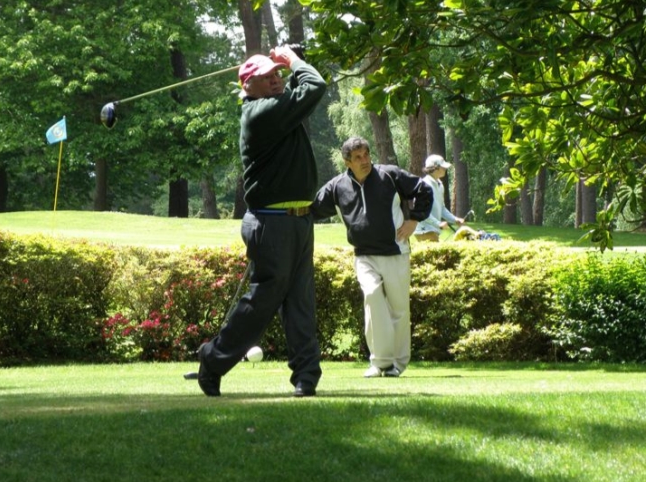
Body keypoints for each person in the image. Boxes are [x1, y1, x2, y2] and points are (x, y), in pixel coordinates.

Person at [195, 45, 327, 397]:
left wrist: (292, 61)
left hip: (298, 221)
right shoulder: (261, 113)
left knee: (300, 302)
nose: (274, 80)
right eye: (265, 77)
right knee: (263, 302)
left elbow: (305, 89)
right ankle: (214, 359)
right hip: (272, 223)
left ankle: (306, 378)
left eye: (277, 74)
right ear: (247, 87)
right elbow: (314, 86)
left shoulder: (279, 107)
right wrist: (294, 62)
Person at [310, 137, 433, 378]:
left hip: (396, 251)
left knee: (399, 310)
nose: (365, 160)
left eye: (366, 154)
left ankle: (398, 364)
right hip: (364, 255)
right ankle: (380, 362)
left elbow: (423, 189)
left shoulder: (390, 175)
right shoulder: (337, 186)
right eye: (358, 157)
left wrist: (414, 219)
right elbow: (312, 208)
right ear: (347, 162)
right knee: (372, 297)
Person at [414, 154, 465, 242]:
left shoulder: (440, 185)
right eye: (442, 167)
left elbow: (441, 208)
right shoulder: (424, 185)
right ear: (435, 168)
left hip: (433, 230)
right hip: (424, 231)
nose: (445, 169)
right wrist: (438, 223)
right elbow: (421, 212)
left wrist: (454, 219)